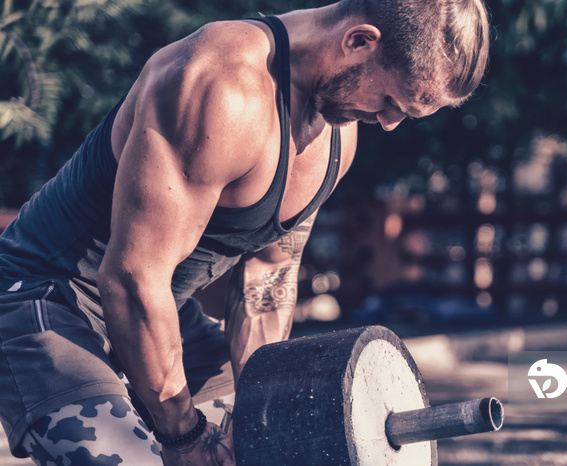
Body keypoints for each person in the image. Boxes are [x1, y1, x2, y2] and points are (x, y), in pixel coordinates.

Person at [0, 0, 490, 464]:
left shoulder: (337, 135)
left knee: (283, 440)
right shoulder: (219, 84)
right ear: (360, 41)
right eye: (391, 101)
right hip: (47, 300)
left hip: (160, 311)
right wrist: (183, 436)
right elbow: (130, 279)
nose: (388, 123)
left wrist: (260, 410)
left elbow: (267, 282)